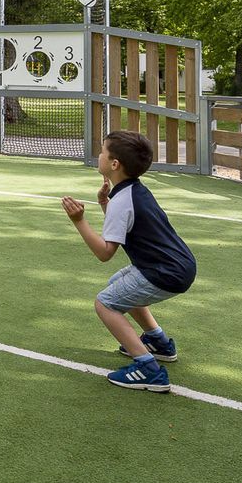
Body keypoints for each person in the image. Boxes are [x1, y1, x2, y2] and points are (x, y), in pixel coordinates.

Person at [61, 130, 197, 392]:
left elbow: (105, 253)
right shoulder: (133, 191)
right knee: (119, 284)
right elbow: (123, 226)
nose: (98, 155)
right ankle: (158, 342)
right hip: (176, 265)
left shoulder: (123, 200)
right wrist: (105, 203)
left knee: (106, 303)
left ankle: (148, 368)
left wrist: (79, 221)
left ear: (114, 164)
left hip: (164, 272)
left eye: (102, 151)